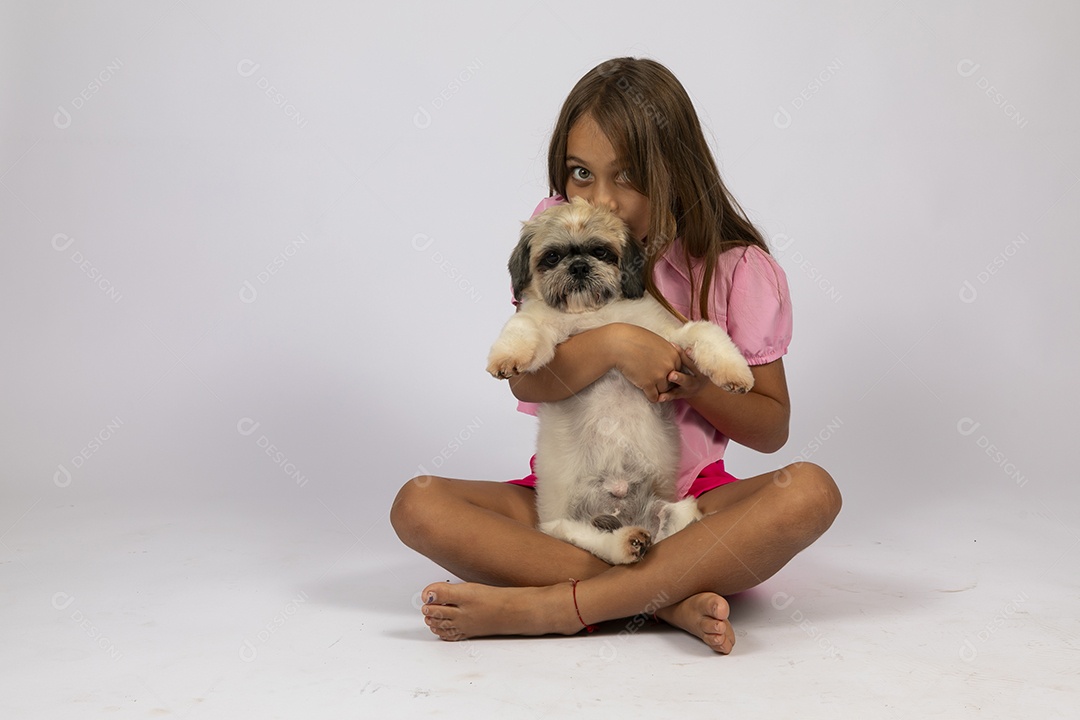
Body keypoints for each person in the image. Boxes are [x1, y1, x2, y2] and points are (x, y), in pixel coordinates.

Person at [390, 57, 841, 654]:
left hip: (687, 499)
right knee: (418, 504)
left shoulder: (737, 268)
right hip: (568, 492)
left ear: (676, 169)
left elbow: (772, 428)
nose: (602, 199)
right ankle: (667, 597)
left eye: (627, 176)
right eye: (581, 173)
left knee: (811, 492)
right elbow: (528, 384)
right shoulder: (559, 231)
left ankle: (555, 607)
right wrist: (614, 344)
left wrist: (698, 387)